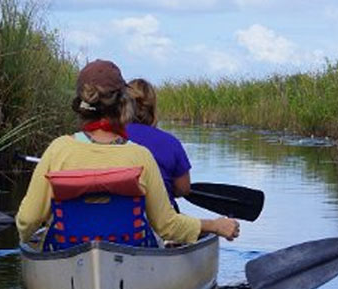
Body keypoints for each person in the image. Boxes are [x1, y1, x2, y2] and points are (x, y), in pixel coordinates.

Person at [16, 60, 238, 248]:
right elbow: (167, 226)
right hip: (129, 253)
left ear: (81, 104)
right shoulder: (140, 156)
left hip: (67, 250)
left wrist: (29, 243)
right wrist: (214, 225)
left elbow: (28, 219)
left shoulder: (58, 150)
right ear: (123, 104)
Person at [125, 79, 192, 209]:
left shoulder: (110, 138)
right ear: (153, 108)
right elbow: (183, 189)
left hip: (122, 216)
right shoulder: (171, 142)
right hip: (162, 218)